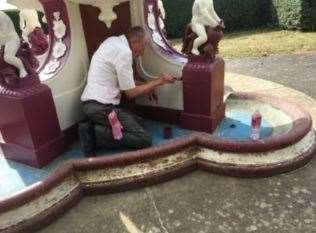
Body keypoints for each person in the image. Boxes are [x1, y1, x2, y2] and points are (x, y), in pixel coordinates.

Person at [79, 26, 175, 156]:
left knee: (139, 122)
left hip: (92, 105)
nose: (142, 52)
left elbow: (126, 83)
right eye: (144, 45)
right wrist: (159, 81)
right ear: (135, 42)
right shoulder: (124, 52)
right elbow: (131, 93)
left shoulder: (112, 41)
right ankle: (95, 133)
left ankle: (94, 124)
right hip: (101, 107)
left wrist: (149, 85)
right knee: (144, 139)